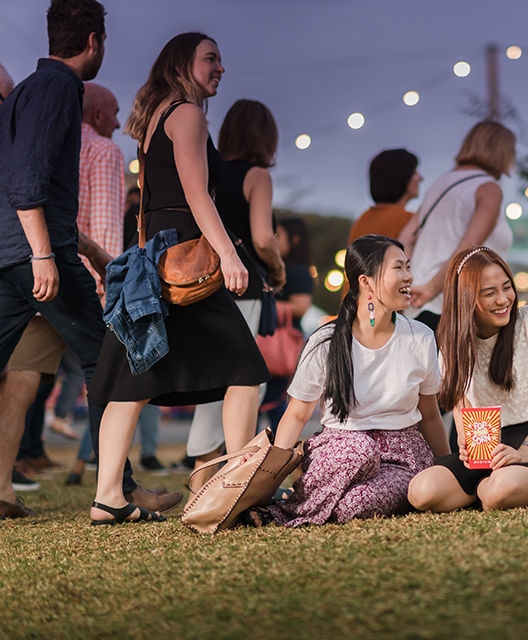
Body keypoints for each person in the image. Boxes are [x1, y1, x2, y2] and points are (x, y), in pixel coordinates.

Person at [87, 32, 269, 525]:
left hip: (155, 258)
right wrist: (231, 257)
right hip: (187, 256)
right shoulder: (186, 112)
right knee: (246, 372)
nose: (220, 67)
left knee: (134, 380)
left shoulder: (156, 115)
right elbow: (196, 193)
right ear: (182, 63)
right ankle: (236, 488)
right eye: (211, 58)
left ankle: (108, 498)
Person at [0, 0, 155, 521]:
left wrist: (84, 247)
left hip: (10, 253)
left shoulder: (23, 90)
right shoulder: (61, 88)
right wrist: (45, 253)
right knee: (104, 361)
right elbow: (26, 179)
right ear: (94, 41)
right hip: (36, 254)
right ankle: (117, 493)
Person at [245, 235, 450, 527]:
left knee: (356, 504)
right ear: (366, 281)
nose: (409, 277)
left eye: (408, 267)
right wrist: (267, 477)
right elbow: (297, 414)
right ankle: (287, 502)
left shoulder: (420, 337)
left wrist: (447, 466)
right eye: (399, 268)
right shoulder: (326, 341)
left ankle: (295, 507)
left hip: (401, 457)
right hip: (340, 449)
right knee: (358, 450)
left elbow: (429, 415)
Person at [407, 247, 528, 512]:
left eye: (506, 287)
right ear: (465, 299)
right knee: (421, 491)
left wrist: (526, 450)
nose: (503, 299)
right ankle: (485, 488)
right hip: (488, 448)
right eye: (489, 293)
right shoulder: (453, 345)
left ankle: (488, 490)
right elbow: (462, 413)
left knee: (501, 490)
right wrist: (464, 443)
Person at [186, 98, 286, 487]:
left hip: (206, 285)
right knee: (244, 381)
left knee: (213, 380)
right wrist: (276, 270)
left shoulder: (211, 172)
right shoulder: (257, 176)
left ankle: (203, 467)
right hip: (244, 287)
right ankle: (223, 471)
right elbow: (263, 238)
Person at [400, 120, 516, 332]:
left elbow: (406, 237)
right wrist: (431, 289)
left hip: (415, 307)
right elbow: (469, 248)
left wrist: (404, 286)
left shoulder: (441, 183)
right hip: (454, 308)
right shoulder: (489, 188)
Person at [260, 216, 314, 429]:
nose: (275, 240)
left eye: (278, 235)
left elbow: (301, 307)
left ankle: (278, 450)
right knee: (270, 403)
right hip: (275, 347)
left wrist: (265, 306)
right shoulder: (280, 268)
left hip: (278, 346)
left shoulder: (298, 272)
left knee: (273, 403)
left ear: (295, 239)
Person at [347, 148, 421, 242]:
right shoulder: (409, 221)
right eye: (415, 173)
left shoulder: (362, 220)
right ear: (401, 176)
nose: (421, 178)